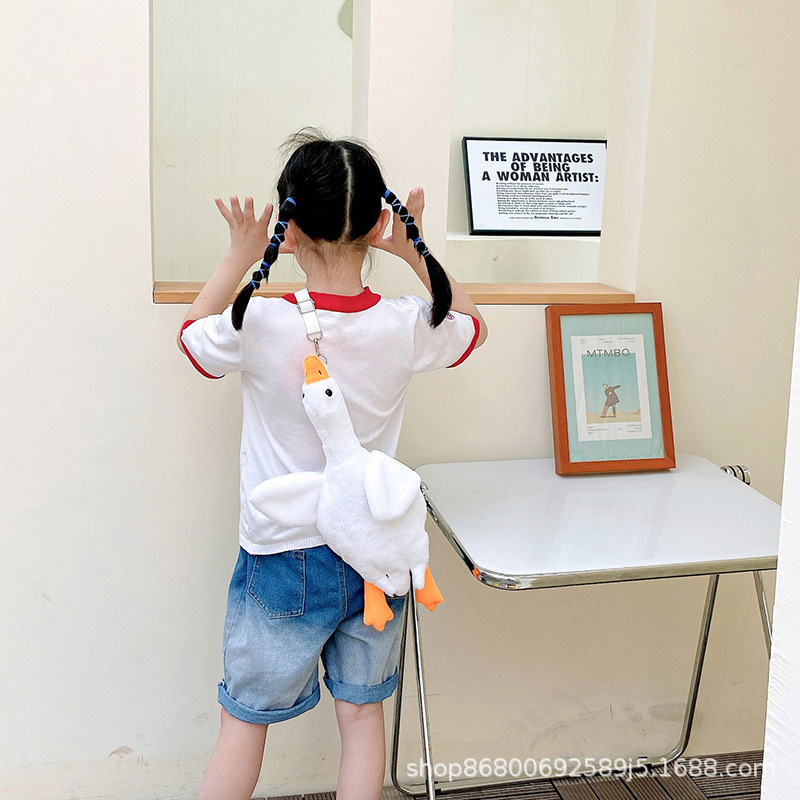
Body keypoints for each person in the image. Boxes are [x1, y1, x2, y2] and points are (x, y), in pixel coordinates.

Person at [176, 128, 488, 800]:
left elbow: (192, 339)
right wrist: (414, 251)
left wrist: (237, 257)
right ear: (378, 223)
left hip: (282, 555)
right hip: (374, 557)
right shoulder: (405, 324)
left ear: (286, 231)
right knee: (363, 716)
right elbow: (473, 327)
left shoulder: (261, 323)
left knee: (244, 721)